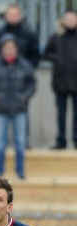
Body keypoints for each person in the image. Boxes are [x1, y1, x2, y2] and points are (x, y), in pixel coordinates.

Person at [0, 36, 35, 180]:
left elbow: (32, 83)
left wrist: (25, 96)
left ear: (16, 49)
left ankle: (20, 170)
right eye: (6, 48)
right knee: (0, 141)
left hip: (20, 108)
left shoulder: (24, 65)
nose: (9, 50)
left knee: (20, 141)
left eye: (12, 48)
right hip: (2, 109)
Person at [44, 10, 77, 150]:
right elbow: (46, 53)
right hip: (61, 81)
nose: (70, 21)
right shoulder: (56, 36)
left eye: (73, 19)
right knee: (61, 113)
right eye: (68, 19)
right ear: (63, 20)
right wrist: (58, 60)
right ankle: (61, 140)